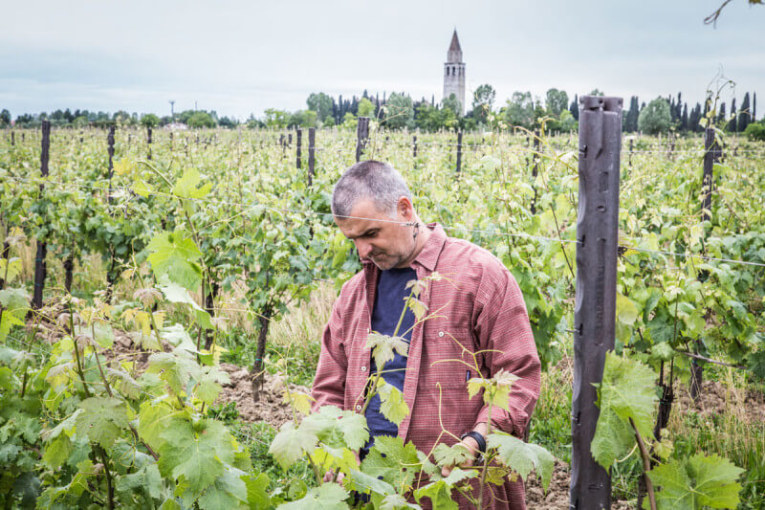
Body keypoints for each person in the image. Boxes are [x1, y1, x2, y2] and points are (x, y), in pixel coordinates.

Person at [311, 160, 541, 509]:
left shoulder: (480, 276)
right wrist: (336, 449)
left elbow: (519, 378)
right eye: (353, 239)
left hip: (456, 492)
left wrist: (476, 441)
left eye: (371, 234)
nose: (362, 252)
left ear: (405, 209)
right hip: (368, 492)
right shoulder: (352, 295)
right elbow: (328, 388)